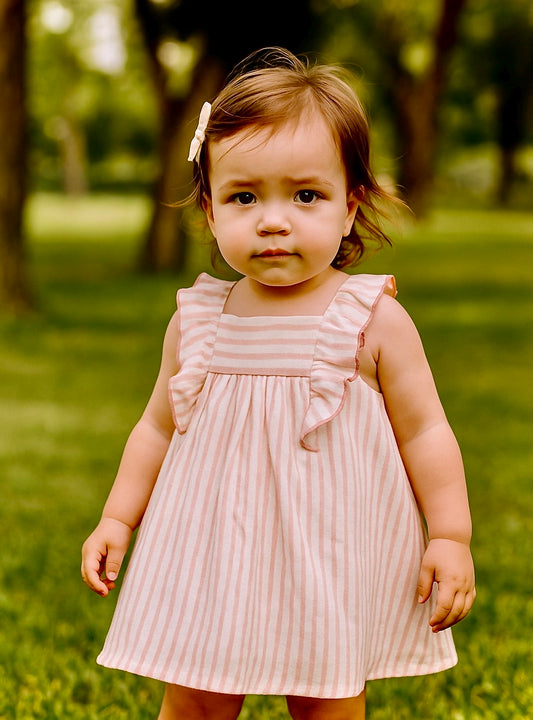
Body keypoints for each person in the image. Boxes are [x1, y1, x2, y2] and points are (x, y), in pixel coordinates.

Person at [81, 47, 475, 720]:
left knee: (324, 697)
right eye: (243, 196)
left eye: (305, 195)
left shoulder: (371, 318)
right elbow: (155, 427)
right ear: (209, 212)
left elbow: (425, 428)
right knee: (195, 693)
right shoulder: (199, 319)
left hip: (325, 552)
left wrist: (449, 534)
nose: (272, 219)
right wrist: (118, 517)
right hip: (210, 551)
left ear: (349, 207)